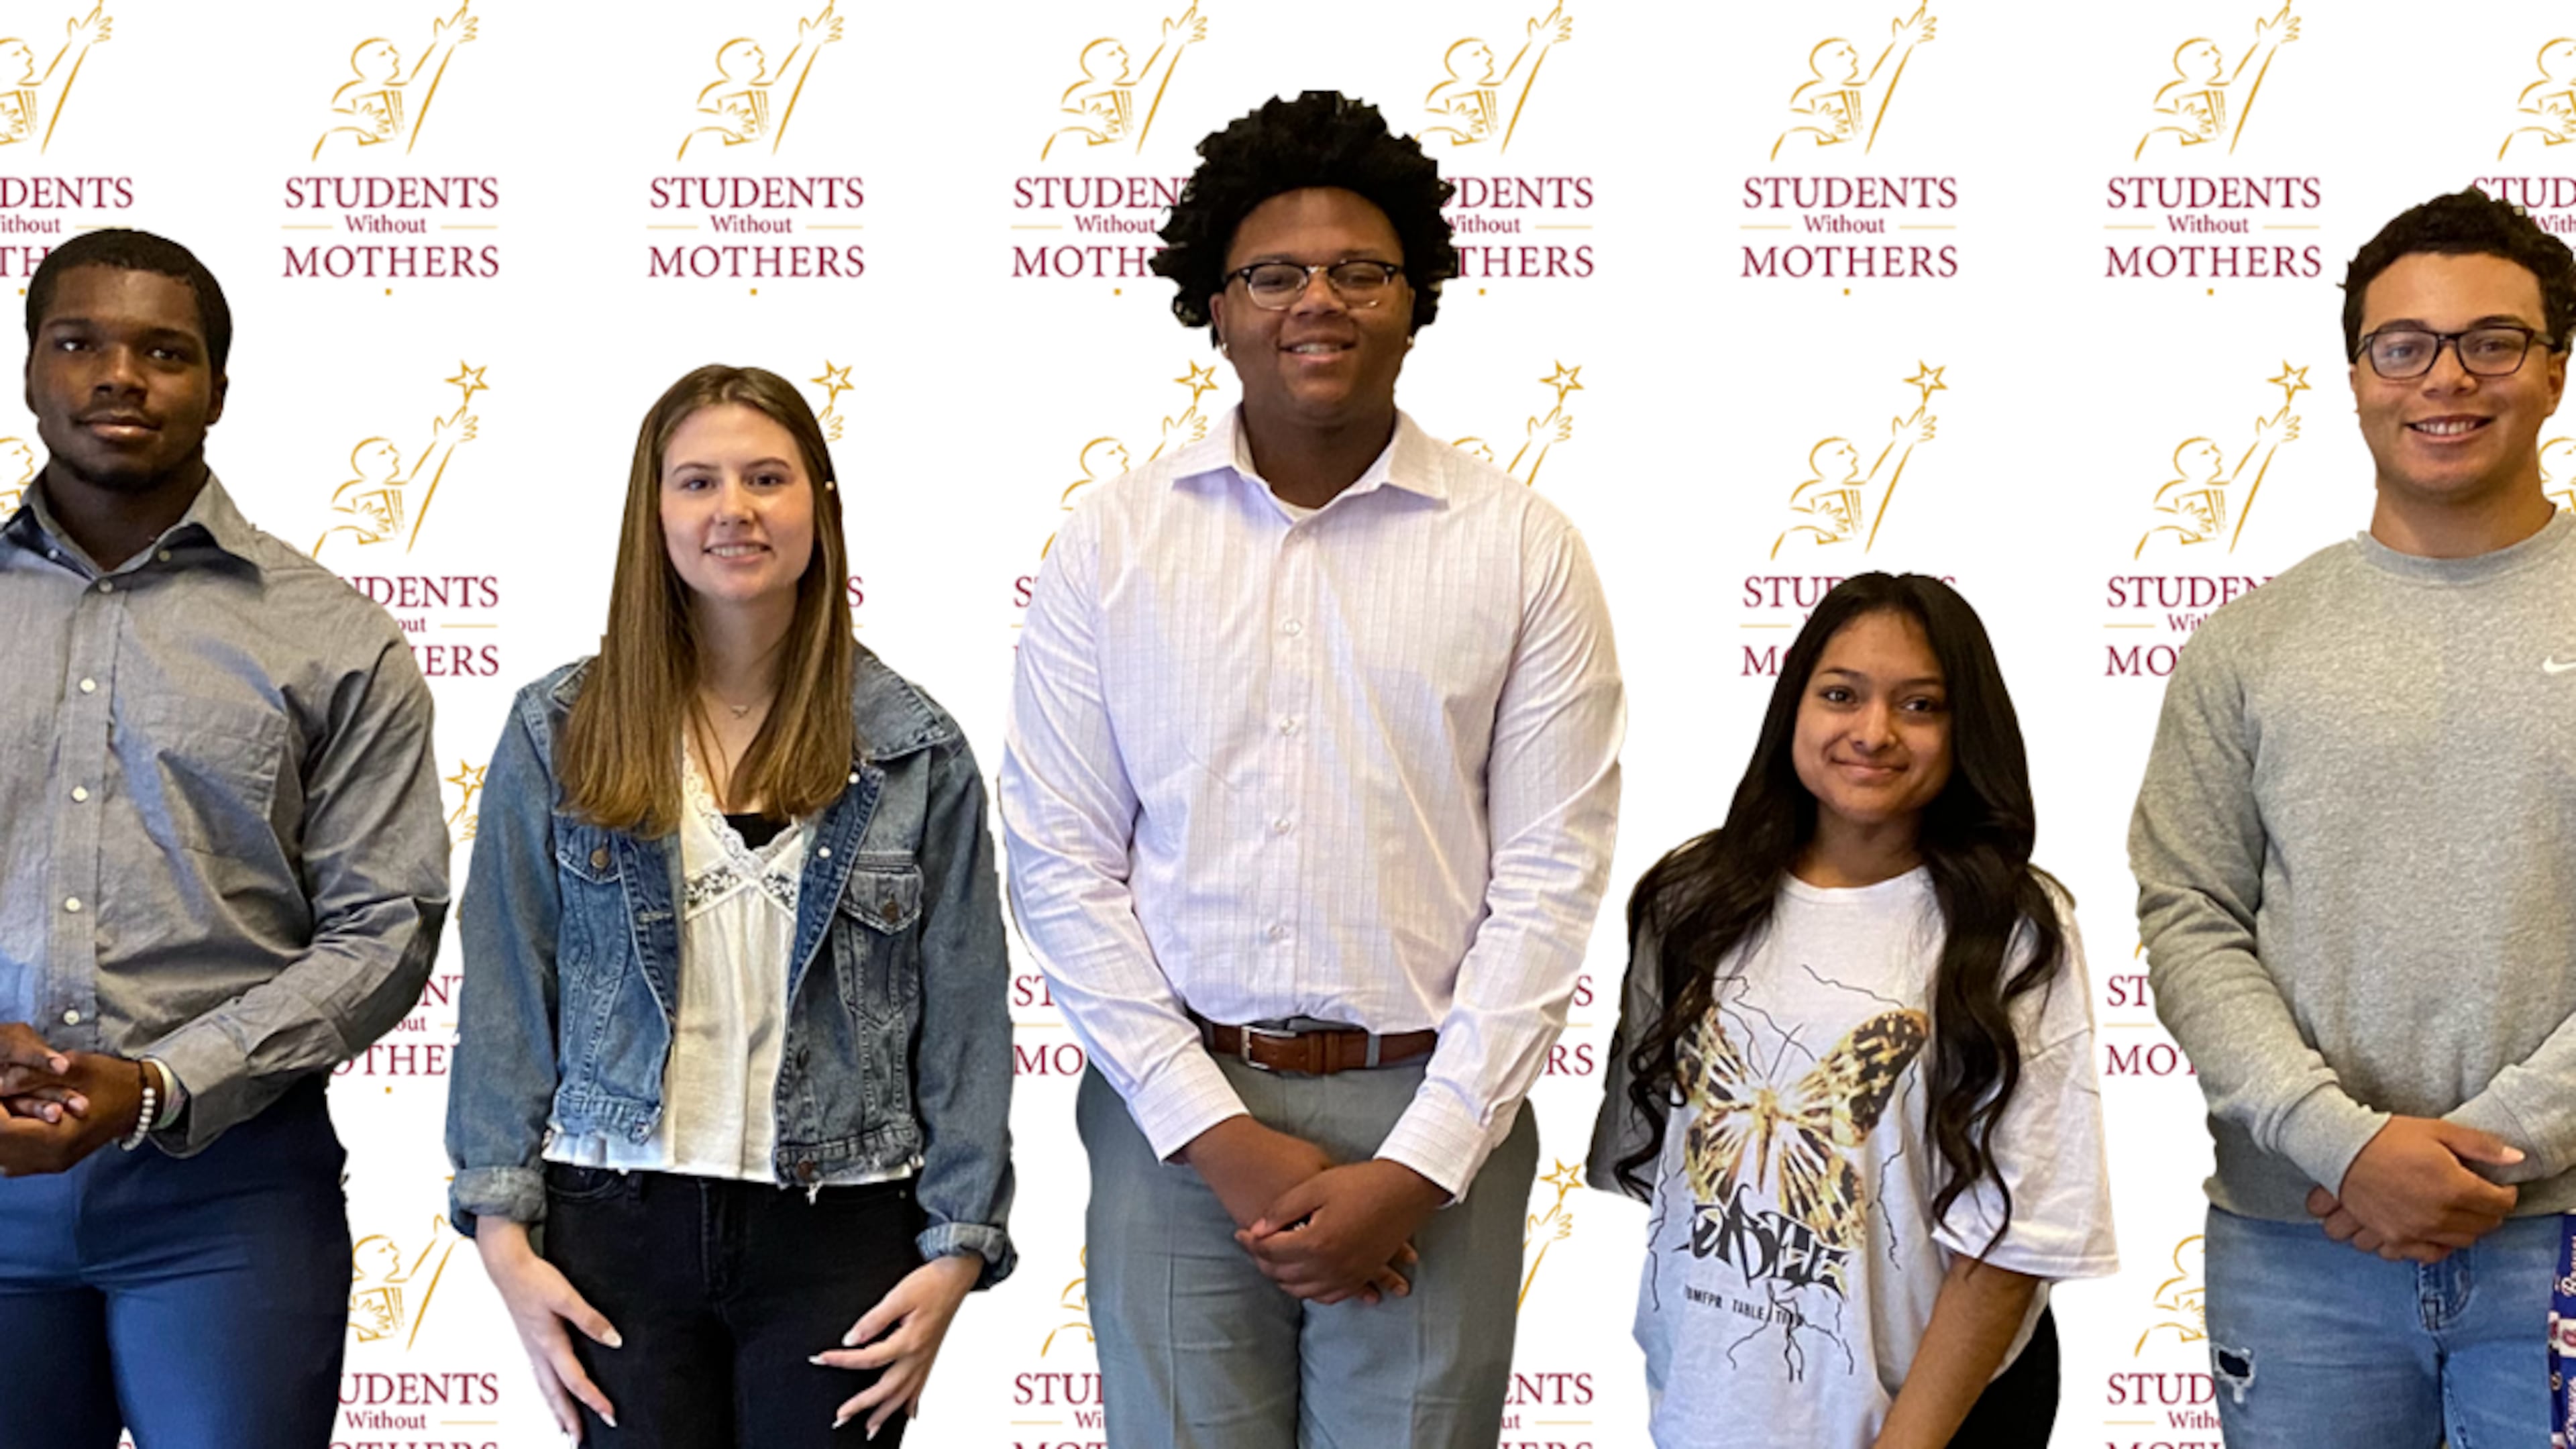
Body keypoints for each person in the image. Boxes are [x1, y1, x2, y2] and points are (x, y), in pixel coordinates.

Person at [1000, 90, 1624, 1449]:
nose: (1317, 302)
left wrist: (1422, 1162)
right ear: (1215, 308)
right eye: (1274, 274)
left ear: (1418, 300)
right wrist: (1213, 1134)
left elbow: (1549, 881)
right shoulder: (1111, 547)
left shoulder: (1524, 551)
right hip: (1174, 1119)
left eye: (1360, 271)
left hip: (1434, 1116)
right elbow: (1058, 861)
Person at [446, 365, 1013, 1446]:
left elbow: (970, 1012)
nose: (734, 510)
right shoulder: (558, 729)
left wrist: (959, 1243)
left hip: (843, 1224)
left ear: (820, 505)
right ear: (652, 513)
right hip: (614, 1216)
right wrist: (501, 1232)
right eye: (697, 482)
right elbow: (510, 980)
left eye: (767, 478)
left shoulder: (913, 747)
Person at [2132, 186, 2576, 1446]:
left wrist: (2482, 1152)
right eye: (2405, 345)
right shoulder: (2249, 644)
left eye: (2493, 341)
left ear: (2553, 372)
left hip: (2561, 1239)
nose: (2447, 377)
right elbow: (2191, 916)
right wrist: (2340, 1145)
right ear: (2355, 375)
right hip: (2300, 1248)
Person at [0, 229, 449, 1446]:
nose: (119, 376)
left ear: (218, 390)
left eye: (165, 351)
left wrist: (159, 1089)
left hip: (229, 1204)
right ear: (32, 367)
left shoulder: (333, 635)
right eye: (79, 342)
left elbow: (386, 928)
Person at [1591, 572, 2116, 1449]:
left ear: (1963, 730)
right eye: (1841, 695)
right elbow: (1672, 1190)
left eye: (1920, 705)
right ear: (1794, 705)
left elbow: (2018, 1237)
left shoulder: (2011, 927)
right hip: (1715, 1413)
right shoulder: (1687, 903)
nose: (1873, 733)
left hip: (1939, 1420)